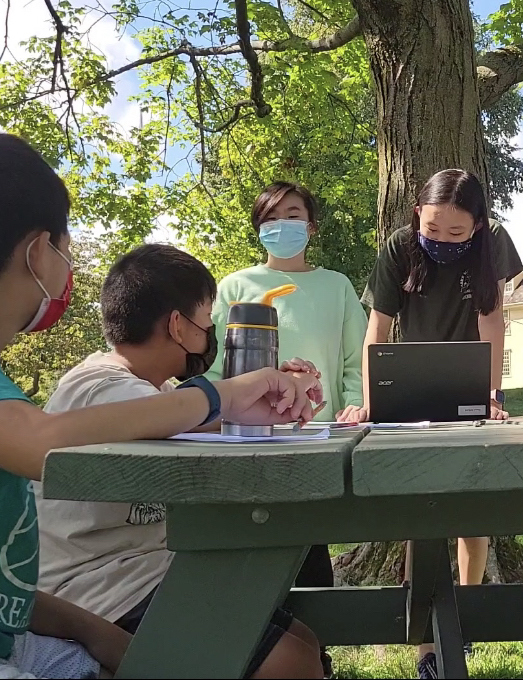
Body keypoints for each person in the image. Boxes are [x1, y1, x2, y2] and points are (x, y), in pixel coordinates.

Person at [0, 130, 320, 680]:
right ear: (39, 252)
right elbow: (41, 445)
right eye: (65, 247)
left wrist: (99, 636)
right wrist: (219, 395)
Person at [36, 243, 325, 679]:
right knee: (292, 663)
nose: (208, 336)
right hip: (95, 591)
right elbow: (181, 418)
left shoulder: (153, 391)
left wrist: (272, 394)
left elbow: (190, 413)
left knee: (305, 644)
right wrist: (256, 398)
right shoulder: (101, 387)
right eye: (207, 323)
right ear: (177, 325)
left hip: (143, 575)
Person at [342, 168, 523, 679]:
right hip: (408, 387)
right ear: (416, 217)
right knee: (418, 514)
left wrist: (490, 393)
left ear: (479, 225)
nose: (442, 241)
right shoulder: (399, 247)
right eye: (432, 230)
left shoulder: (495, 245)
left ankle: (462, 620)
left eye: (456, 233)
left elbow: (493, 321)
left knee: (472, 511)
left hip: (472, 386)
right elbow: (377, 327)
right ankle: (424, 640)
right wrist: (371, 399)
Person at [205, 181, 366, 677]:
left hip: (317, 439)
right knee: (256, 549)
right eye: (270, 218)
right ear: (259, 228)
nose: (281, 225)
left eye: (292, 214)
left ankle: (316, 658)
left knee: (311, 547)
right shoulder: (234, 287)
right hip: (246, 444)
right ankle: (267, 651)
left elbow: (353, 363)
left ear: (311, 226)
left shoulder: (337, 286)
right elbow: (213, 369)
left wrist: (357, 404)